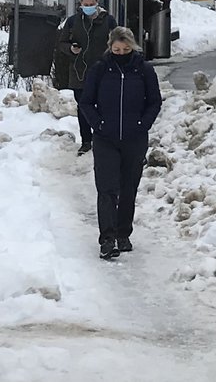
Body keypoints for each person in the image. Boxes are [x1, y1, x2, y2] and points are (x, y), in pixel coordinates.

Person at [78, 26, 162, 260]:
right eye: (117, 49)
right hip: (106, 139)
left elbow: (154, 102)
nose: (121, 52)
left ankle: (123, 233)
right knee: (106, 189)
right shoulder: (100, 70)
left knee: (128, 188)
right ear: (110, 47)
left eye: (126, 49)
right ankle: (107, 239)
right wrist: (99, 125)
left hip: (134, 139)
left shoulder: (144, 70)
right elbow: (86, 102)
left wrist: (142, 125)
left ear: (133, 47)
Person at [55, 0, 118, 155]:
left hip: (103, 71)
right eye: (86, 4)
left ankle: (103, 137)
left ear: (97, 3)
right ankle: (86, 140)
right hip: (79, 72)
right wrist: (71, 49)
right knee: (83, 107)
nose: (89, 7)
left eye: (92, 4)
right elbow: (62, 43)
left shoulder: (108, 21)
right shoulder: (73, 21)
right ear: (80, 4)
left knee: (103, 105)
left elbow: (118, 41)